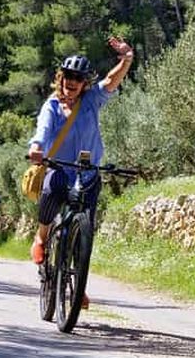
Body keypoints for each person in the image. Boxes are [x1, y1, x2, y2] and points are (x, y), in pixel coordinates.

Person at [27, 38, 134, 306]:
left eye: (78, 78)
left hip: (87, 173)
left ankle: (77, 285)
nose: (72, 82)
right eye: (68, 77)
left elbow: (111, 81)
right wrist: (37, 149)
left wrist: (127, 59)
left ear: (84, 82)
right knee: (51, 191)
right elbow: (42, 131)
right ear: (61, 78)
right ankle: (41, 237)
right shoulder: (52, 106)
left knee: (84, 229)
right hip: (59, 169)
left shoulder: (90, 100)